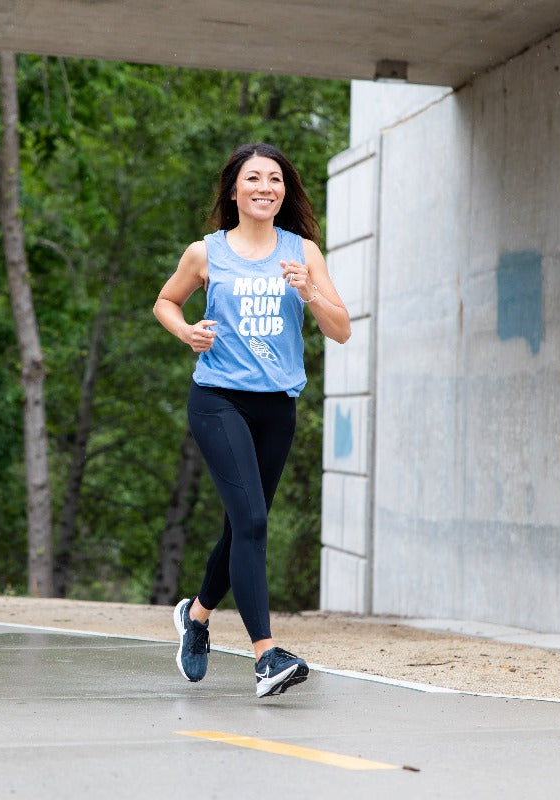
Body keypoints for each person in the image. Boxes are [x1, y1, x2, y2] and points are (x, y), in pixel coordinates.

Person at [153, 142, 350, 698]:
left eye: (276, 179)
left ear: (283, 190)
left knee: (243, 523)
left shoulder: (303, 251)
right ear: (234, 190)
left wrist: (309, 292)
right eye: (254, 178)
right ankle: (267, 657)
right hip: (218, 399)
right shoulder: (207, 252)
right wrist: (186, 331)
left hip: (276, 407)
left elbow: (341, 330)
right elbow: (166, 301)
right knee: (254, 523)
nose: (266, 187)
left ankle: (195, 616)